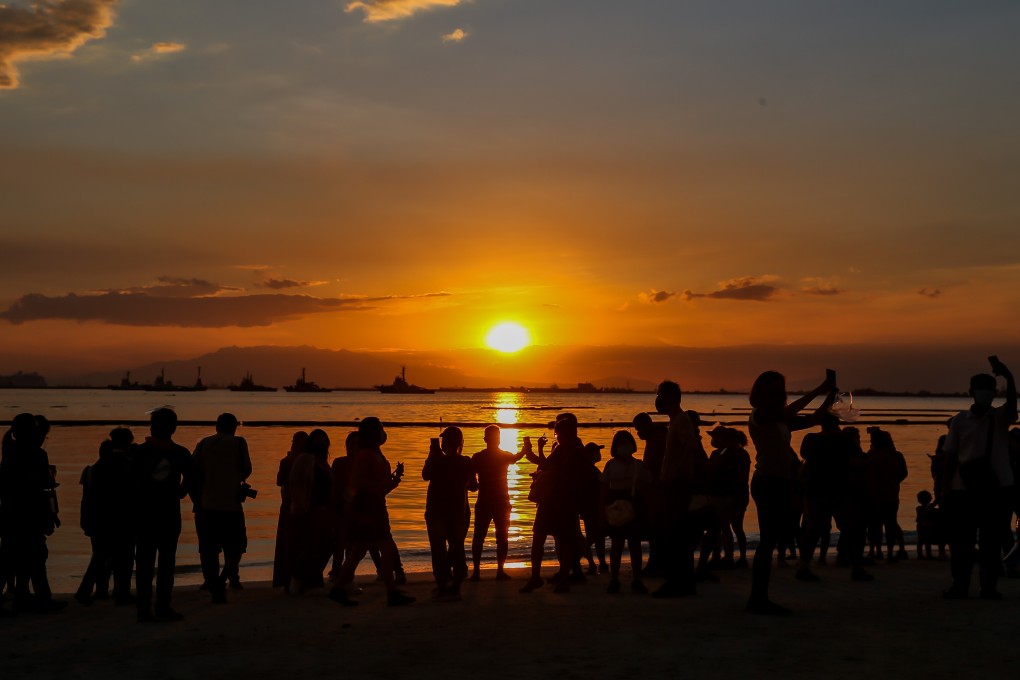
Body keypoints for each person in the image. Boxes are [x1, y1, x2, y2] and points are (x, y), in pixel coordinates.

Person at [746, 370, 836, 615]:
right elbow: (788, 412)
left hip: (780, 482)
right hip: (766, 482)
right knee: (767, 542)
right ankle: (758, 598)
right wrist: (820, 389)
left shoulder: (779, 419)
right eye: (775, 389)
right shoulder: (761, 415)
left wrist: (831, 396)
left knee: (771, 540)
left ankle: (760, 597)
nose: (779, 393)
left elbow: (815, 418)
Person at [940, 357, 1017, 600]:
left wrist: (1009, 377)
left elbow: (1013, 406)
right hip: (963, 490)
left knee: (991, 544)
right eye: (980, 389)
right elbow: (950, 456)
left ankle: (989, 587)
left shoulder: (1001, 417)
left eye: (989, 389)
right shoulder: (960, 420)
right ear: (971, 392)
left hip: (997, 489)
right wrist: (943, 489)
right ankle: (960, 585)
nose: (985, 394)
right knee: (961, 543)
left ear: (994, 393)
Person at [329, 418, 414, 606]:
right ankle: (391, 592)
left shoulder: (377, 454)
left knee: (359, 552)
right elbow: (358, 483)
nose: (384, 433)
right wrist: (379, 486)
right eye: (381, 429)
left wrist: (395, 479)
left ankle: (338, 588)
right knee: (383, 548)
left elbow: (382, 488)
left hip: (377, 507)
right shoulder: (365, 455)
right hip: (367, 509)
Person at [131, 407, 192, 622]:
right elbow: (192, 478)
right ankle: (162, 607)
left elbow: (131, 484)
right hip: (167, 515)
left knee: (146, 564)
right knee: (166, 564)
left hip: (145, 515)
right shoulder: (180, 453)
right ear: (174, 427)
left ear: (152, 426)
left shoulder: (140, 452)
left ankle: (145, 609)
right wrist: (181, 492)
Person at [0, 413, 65, 613]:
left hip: (11, 513)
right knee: (35, 557)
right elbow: (45, 488)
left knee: (11, 559)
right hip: (30, 514)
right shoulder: (37, 454)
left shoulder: (9, 452)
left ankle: (25, 598)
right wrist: (51, 512)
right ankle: (39, 599)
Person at [520, 414, 586, 594]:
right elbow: (547, 466)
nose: (558, 437)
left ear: (571, 433)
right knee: (539, 538)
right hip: (550, 501)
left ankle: (562, 579)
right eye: (557, 435)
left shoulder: (576, 451)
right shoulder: (561, 448)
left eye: (560, 434)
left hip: (564, 502)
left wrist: (532, 453)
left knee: (564, 541)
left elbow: (549, 467)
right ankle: (536, 577)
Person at [191, 413, 253, 603]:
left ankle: (212, 582)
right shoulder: (239, 443)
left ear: (217, 426)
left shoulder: (202, 444)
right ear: (234, 426)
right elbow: (247, 470)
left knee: (208, 550)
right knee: (235, 547)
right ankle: (227, 578)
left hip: (206, 505)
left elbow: (193, 471)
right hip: (231, 506)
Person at [649, 380, 702, 598]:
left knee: (674, 536)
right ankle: (684, 583)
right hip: (675, 485)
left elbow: (690, 447)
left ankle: (675, 582)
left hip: (677, 486)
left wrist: (679, 475)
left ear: (671, 397)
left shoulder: (681, 421)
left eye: (662, 394)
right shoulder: (676, 421)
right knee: (679, 536)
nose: (658, 399)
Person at [76, 427, 136, 606]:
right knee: (123, 558)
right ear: (129, 441)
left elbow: (88, 497)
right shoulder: (125, 464)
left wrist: (86, 520)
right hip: (120, 517)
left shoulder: (96, 467)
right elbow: (129, 493)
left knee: (101, 556)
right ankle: (121, 592)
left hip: (99, 518)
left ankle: (88, 590)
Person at [423, 427, 476, 600]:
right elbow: (473, 486)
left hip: (436, 511)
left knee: (438, 550)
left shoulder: (437, 460)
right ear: (461, 443)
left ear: (444, 444)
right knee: (457, 548)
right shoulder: (466, 462)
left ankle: (442, 586)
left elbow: (425, 475)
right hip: (457, 512)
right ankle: (455, 587)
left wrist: (432, 455)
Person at [470, 425, 527, 581]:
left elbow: (472, 485)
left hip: (487, 501)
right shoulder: (503, 456)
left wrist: (478, 484)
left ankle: (477, 572)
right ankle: (498, 571)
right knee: (501, 537)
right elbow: (516, 457)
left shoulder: (478, 457)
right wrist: (525, 449)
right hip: (499, 501)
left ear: (485, 439)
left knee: (480, 537)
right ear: (498, 439)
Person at [601, 430, 653, 594]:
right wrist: (601, 509)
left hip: (634, 506)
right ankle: (614, 579)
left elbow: (647, 486)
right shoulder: (611, 464)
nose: (624, 447)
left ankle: (636, 579)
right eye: (621, 443)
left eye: (627, 443)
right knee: (616, 544)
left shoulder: (639, 465)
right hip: (615, 508)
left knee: (634, 545)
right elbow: (603, 488)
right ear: (615, 447)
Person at [287, 429, 334, 594]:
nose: (320, 443)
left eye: (323, 439)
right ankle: (298, 579)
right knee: (311, 546)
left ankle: (310, 579)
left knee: (326, 546)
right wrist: (300, 507)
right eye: (317, 439)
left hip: (325, 509)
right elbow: (296, 484)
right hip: (310, 509)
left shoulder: (324, 462)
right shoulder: (305, 459)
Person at [864, 427, 908, 564]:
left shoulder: (871, 456)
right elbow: (903, 473)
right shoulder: (896, 455)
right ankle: (888, 552)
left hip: (874, 495)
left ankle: (875, 551)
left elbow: (865, 474)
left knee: (874, 525)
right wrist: (893, 481)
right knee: (890, 524)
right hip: (890, 494)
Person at [632, 413, 667, 576]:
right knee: (655, 529)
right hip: (653, 490)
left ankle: (655, 564)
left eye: (639, 429)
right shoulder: (654, 440)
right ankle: (656, 563)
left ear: (647, 425)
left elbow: (654, 467)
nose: (638, 433)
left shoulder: (657, 441)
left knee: (655, 530)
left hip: (657, 491)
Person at [272, 431, 307, 590]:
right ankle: (291, 578)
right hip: (294, 505)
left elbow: (280, 481)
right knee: (294, 542)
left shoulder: (289, 461)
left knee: (291, 542)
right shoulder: (295, 461)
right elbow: (280, 481)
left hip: (292, 505)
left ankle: (289, 579)